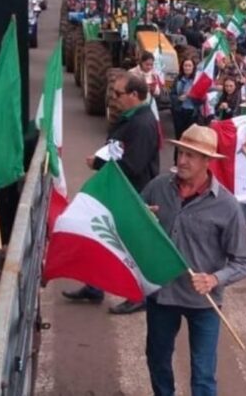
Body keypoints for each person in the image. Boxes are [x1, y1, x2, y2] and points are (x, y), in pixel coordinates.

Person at [143, 124, 246, 396]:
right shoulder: (157, 187)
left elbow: (244, 261)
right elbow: (133, 223)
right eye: (181, 152)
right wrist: (142, 217)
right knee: (157, 360)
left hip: (203, 302)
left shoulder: (227, 205)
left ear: (208, 162)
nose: (181, 160)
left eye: (191, 156)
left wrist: (214, 278)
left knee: (203, 375)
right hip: (162, 295)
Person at [63, 74, 161, 315]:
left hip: (132, 193)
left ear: (134, 96)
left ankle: (140, 294)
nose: (113, 99)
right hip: (119, 190)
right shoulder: (132, 118)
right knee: (101, 234)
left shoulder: (143, 123)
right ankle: (95, 286)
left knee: (131, 246)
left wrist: (98, 163)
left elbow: (133, 164)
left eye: (118, 94)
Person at [171, 59, 198, 156]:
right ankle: (176, 161)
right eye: (185, 65)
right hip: (179, 111)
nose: (187, 68)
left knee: (191, 138)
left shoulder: (196, 80)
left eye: (189, 66)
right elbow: (172, 95)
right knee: (179, 137)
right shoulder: (178, 79)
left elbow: (202, 98)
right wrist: (178, 99)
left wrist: (194, 96)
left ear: (193, 67)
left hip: (192, 113)